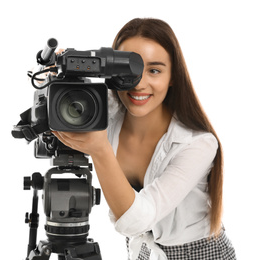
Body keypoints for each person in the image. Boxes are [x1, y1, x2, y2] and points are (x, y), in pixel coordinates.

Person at [53, 18, 236, 260]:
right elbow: (55, 101)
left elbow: (139, 219)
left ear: (173, 76)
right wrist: (55, 74)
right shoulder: (101, 111)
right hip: (143, 253)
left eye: (154, 70)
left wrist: (100, 150)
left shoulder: (197, 144)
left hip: (201, 255)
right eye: (128, 70)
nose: (139, 83)